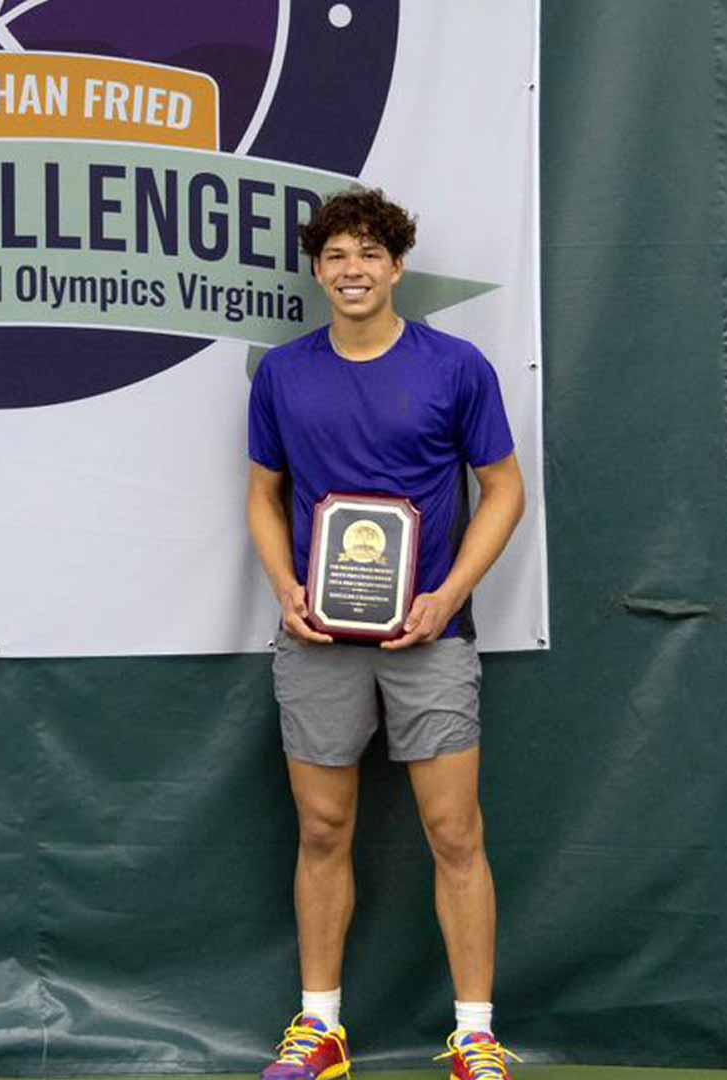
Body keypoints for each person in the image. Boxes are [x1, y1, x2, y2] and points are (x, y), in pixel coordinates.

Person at [246, 188, 526, 1080]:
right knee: (323, 829)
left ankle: (476, 1036)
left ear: (397, 267)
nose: (353, 270)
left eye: (370, 253)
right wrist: (288, 587)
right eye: (336, 256)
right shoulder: (284, 375)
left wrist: (447, 596)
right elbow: (263, 495)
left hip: (432, 639)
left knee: (455, 833)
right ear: (318, 271)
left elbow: (505, 488)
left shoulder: (458, 368)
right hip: (318, 641)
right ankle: (320, 1029)